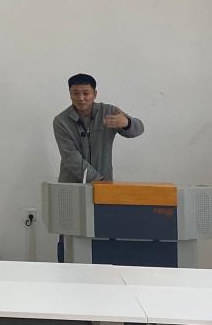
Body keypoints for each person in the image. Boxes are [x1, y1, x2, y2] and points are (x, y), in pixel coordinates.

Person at [53, 73, 144, 260]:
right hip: (72, 188)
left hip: (104, 190)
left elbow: (138, 129)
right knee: (69, 238)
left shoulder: (109, 112)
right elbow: (71, 158)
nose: (81, 98)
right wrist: (99, 181)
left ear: (95, 93)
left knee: (103, 236)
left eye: (86, 93)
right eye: (75, 93)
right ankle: (65, 272)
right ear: (69, 94)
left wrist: (127, 123)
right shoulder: (61, 121)